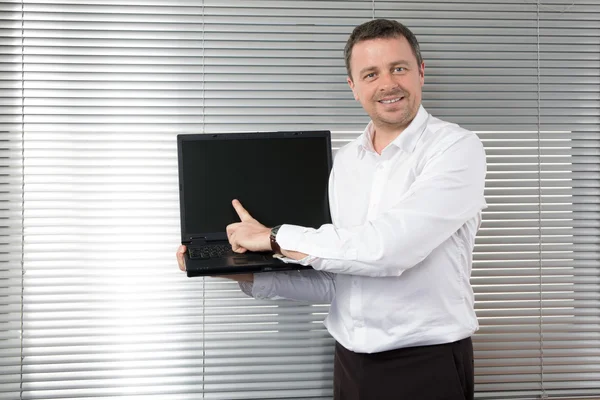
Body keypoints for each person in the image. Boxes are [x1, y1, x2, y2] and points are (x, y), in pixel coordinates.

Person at [177, 18, 486, 400]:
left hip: (428, 366)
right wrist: (231, 270)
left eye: (399, 68)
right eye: (370, 74)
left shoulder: (456, 149)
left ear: (421, 72)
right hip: (351, 365)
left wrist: (272, 238)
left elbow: (389, 252)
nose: (387, 83)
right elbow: (337, 278)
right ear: (353, 87)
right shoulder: (344, 163)